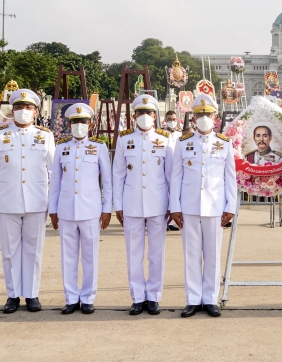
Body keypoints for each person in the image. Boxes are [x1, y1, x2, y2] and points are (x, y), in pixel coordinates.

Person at [0, 89, 55, 313]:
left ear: (35, 112)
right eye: (19, 108)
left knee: (34, 250)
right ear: (12, 111)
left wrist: (53, 205)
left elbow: (54, 173)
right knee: (9, 250)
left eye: (28, 108)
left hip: (37, 201)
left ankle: (32, 294)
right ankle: (12, 295)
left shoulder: (45, 136)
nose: (23, 111)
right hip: (7, 201)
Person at [170, 94, 236, 318]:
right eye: (199, 114)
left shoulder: (224, 144)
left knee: (212, 254)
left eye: (207, 114)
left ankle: (210, 299)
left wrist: (231, 207)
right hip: (188, 207)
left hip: (215, 207)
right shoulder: (183, 144)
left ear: (215, 117)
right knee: (191, 254)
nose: (204, 118)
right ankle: (192, 299)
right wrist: (174, 208)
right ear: (193, 118)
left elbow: (230, 178)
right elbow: (176, 177)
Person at [113, 95, 174, 316]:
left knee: (157, 253)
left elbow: (171, 176)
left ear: (155, 116)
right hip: (131, 204)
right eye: (140, 113)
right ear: (133, 116)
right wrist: (117, 205)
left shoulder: (166, 139)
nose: (145, 117)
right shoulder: (123, 140)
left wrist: (172, 204)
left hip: (158, 204)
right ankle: (138, 297)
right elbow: (118, 174)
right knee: (133, 253)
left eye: (149, 113)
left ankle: (154, 296)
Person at [49, 103, 112, 315]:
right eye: (75, 122)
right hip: (66, 210)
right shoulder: (61, 148)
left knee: (90, 256)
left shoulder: (99, 147)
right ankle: (70, 298)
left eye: (83, 122)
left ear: (91, 124)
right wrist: (53, 210)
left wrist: (106, 209)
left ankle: (87, 298)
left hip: (91, 210)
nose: (79, 126)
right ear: (68, 124)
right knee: (68, 256)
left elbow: (108, 182)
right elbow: (55, 182)